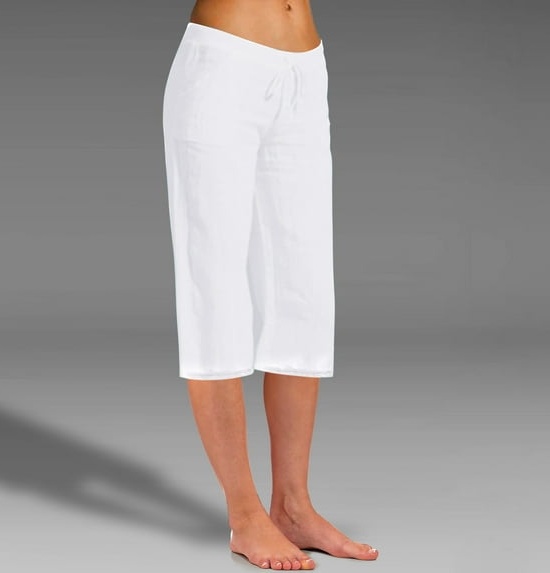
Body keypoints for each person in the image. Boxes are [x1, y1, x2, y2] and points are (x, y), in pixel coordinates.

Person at [162, 0, 379, 569]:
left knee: (302, 293)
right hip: (222, 67)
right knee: (215, 293)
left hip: (305, 69)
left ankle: (293, 506)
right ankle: (245, 515)